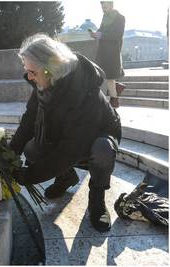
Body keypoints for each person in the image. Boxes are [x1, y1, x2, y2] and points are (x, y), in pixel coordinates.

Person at [10, 34, 121, 232]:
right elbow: (29, 120)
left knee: (102, 150)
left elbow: (70, 151)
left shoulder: (84, 92)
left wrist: (29, 176)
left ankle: (97, 200)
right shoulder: (45, 81)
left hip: (98, 136)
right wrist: (10, 153)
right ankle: (66, 177)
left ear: (49, 68)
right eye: (27, 71)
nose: (29, 77)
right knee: (31, 149)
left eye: (32, 72)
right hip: (69, 135)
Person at [91, 1, 125, 108]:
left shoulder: (120, 18)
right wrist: (95, 34)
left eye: (104, 6)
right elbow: (101, 31)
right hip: (103, 51)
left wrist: (100, 35)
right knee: (103, 74)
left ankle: (114, 101)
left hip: (113, 52)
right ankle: (116, 91)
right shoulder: (105, 17)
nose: (103, 8)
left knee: (109, 76)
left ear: (111, 5)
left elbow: (117, 35)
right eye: (102, 6)